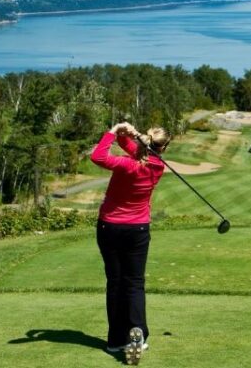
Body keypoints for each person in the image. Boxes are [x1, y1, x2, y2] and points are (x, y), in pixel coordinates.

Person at [89, 122, 171, 365]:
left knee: (115, 283)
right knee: (134, 283)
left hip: (109, 227)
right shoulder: (157, 166)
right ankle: (138, 332)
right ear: (163, 147)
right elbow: (140, 151)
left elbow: (98, 156)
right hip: (138, 230)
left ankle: (116, 339)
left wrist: (113, 132)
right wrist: (128, 136)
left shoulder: (126, 164)